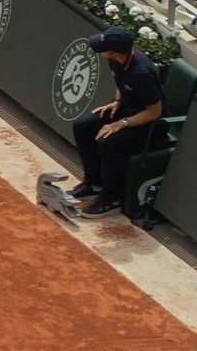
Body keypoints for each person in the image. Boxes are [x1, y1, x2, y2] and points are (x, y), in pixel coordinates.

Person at [67, 29, 165, 219]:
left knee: (108, 142)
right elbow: (121, 82)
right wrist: (117, 101)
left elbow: (155, 112)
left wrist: (121, 123)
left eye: (103, 47)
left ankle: (111, 199)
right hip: (127, 110)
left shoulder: (142, 73)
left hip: (149, 124)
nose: (98, 49)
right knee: (82, 126)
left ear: (113, 51)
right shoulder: (115, 59)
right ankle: (94, 184)